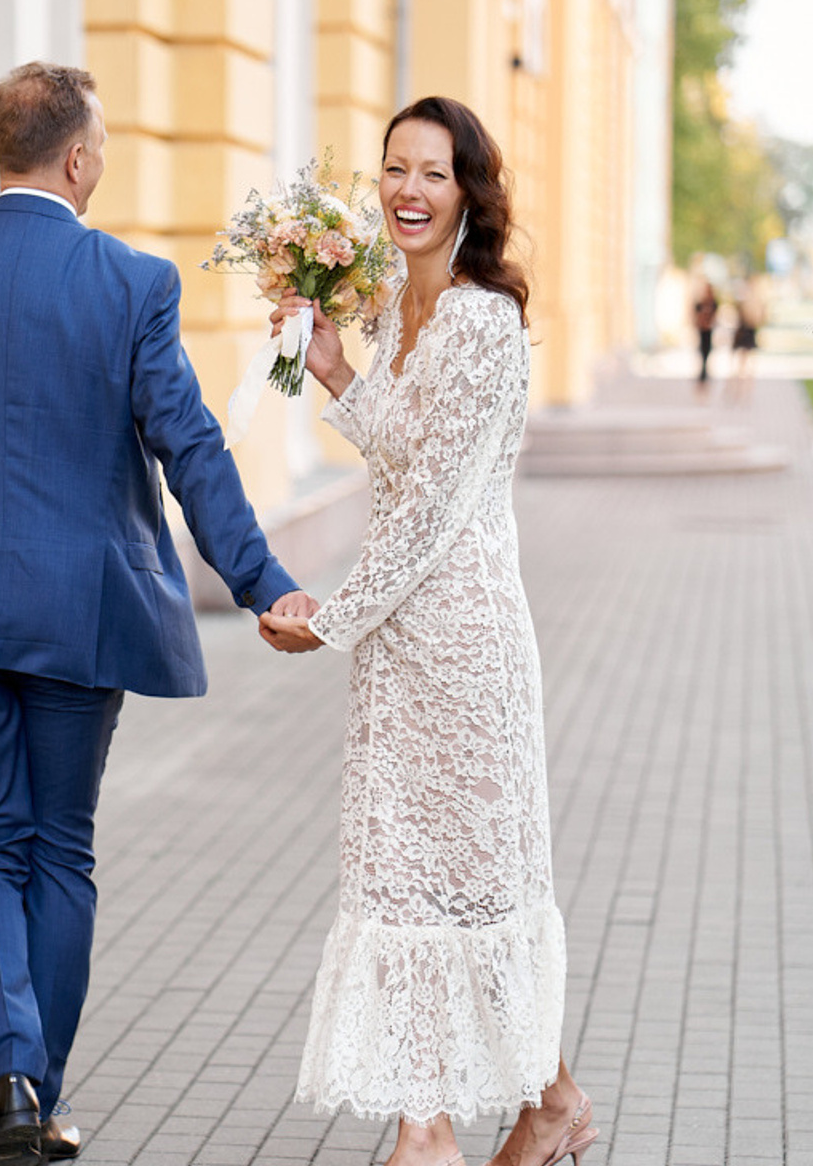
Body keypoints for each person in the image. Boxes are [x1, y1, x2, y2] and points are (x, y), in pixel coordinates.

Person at [0, 61, 312, 1166]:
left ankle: (14, 1077)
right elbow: (190, 445)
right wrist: (262, 580)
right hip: (81, 611)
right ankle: (37, 1091)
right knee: (61, 850)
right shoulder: (130, 281)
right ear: (78, 158)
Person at [259, 97, 595, 1166]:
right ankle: (535, 1104)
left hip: (464, 644)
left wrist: (328, 620)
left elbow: (432, 508)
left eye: (433, 173)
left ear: (467, 194)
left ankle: (429, 1137)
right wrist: (335, 371)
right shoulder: (395, 310)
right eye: (394, 168)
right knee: (407, 885)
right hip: (398, 649)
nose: (407, 190)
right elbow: (404, 455)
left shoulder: (481, 322)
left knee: (475, 887)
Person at [692, 280, 719, 392]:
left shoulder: (713, 303)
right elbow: (695, 315)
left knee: (707, 352)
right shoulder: (700, 303)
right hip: (702, 331)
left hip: (708, 331)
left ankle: (704, 375)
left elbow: (715, 316)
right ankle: (702, 376)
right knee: (702, 352)